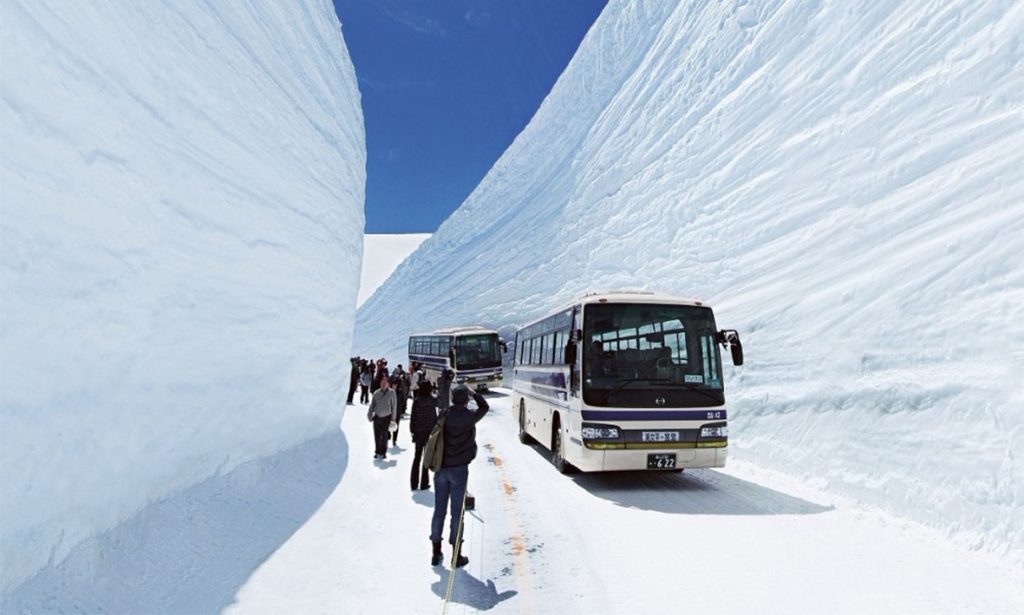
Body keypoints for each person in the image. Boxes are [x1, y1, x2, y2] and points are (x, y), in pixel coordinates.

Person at [430, 384, 489, 567]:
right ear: (466, 400)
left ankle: (436, 552)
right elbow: (484, 407)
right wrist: (475, 393)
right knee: (457, 513)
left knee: (439, 511)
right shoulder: (469, 417)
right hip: (460, 469)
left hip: (441, 467)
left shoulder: (445, 415)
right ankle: (456, 555)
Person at [409, 380, 438, 491]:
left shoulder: (416, 401)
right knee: (427, 457)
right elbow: (442, 403)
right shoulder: (432, 400)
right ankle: (424, 483)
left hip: (418, 431)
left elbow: (413, 417)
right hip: (430, 432)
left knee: (417, 457)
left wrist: (412, 430)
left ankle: (413, 483)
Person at [367, 375, 397, 459]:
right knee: (376, 435)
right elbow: (372, 405)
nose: (383, 383)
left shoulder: (392, 393)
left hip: (386, 418)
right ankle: (377, 451)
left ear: (388, 383)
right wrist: (369, 414)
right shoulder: (376, 393)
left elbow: (394, 406)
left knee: (384, 436)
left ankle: (383, 452)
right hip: (377, 417)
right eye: (382, 381)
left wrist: (393, 419)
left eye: (385, 381)